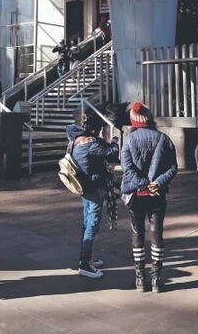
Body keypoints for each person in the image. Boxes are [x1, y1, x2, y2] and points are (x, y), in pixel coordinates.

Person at [120, 102, 177, 293]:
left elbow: (128, 168)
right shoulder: (164, 138)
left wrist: (143, 184)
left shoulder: (128, 140)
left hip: (136, 195)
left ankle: (139, 278)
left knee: (137, 233)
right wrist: (156, 183)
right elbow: (172, 168)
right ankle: (156, 279)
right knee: (156, 234)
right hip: (157, 195)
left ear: (133, 120)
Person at [65, 109, 119, 279]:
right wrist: (114, 140)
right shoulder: (91, 143)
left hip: (84, 187)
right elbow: (112, 154)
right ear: (95, 129)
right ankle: (85, 264)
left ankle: (85, 257)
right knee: (92, 224)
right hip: (94, 187)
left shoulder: (75, 140)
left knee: (86, 222)